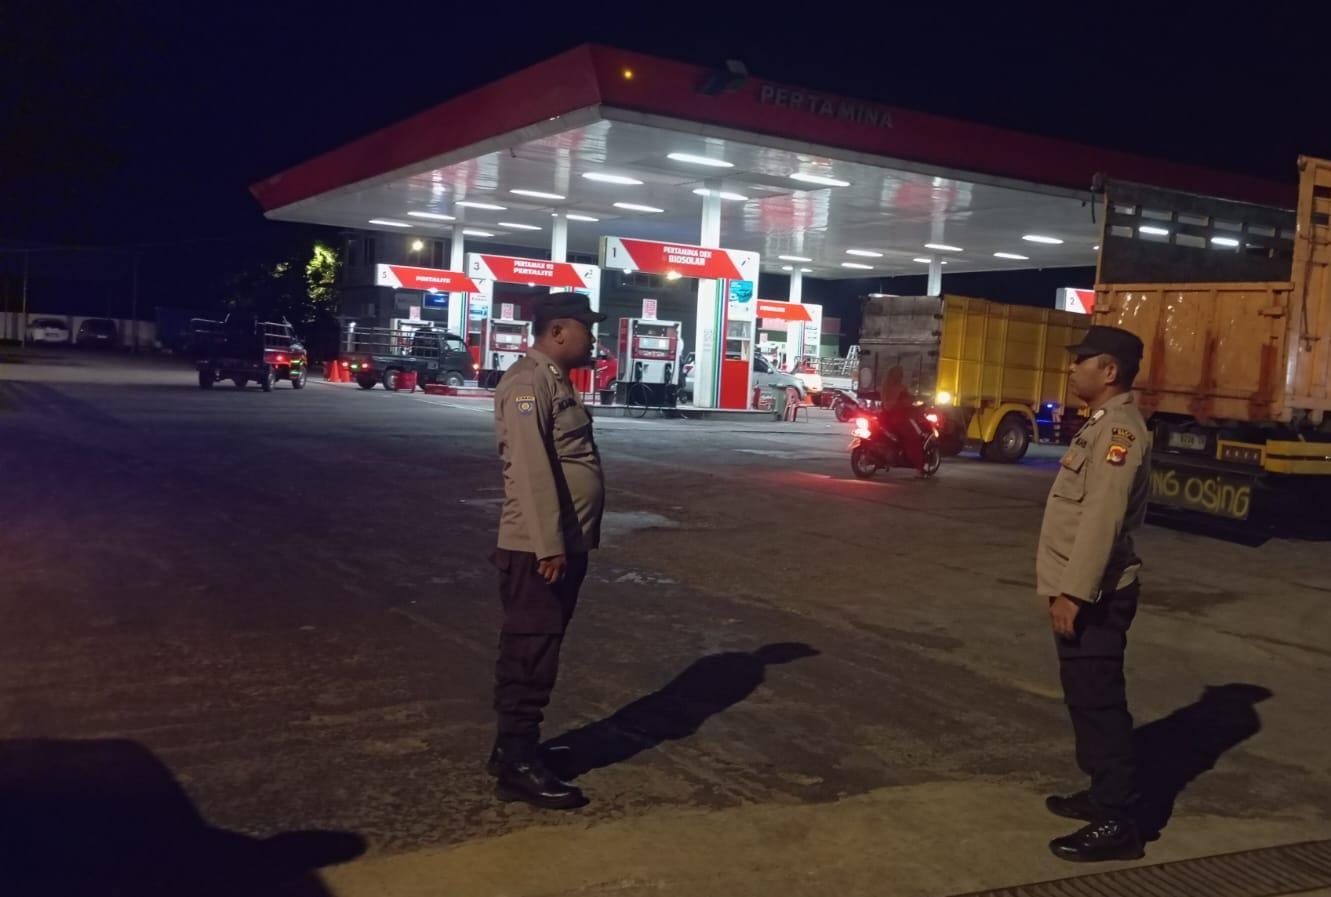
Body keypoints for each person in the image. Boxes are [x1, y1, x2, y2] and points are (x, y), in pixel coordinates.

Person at [487, 292, 607, 810]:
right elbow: (531, 470)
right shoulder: (526, 383)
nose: (593, 338)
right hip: (539, 550)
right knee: (530, 651)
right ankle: (517, 762)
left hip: (558, 546)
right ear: (558, 331)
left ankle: (512, 750)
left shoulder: (554, 381)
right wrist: (549, 546)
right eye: (586, 328)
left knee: (540, 646)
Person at [1037, 325, 1151, 862]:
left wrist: (1075, 594)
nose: (1072, 367)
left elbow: (1102, 520)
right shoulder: (1100, 424)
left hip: (1096, 597)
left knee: (1100, 703)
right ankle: (1102, 793)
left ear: (1109, 371)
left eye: (1081, 360)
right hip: (1081, 590)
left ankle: (1117, 821)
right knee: (1084, 698)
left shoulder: (1119, 432)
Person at [876, 365, 927, 475]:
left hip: (884, 418)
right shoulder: (900, 388)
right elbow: (906, 401)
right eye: (900, 374)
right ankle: (920, 469)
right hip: (898, 419)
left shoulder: (884, 386)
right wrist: (916, 400)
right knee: (913, 440)